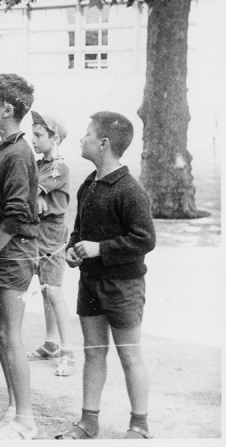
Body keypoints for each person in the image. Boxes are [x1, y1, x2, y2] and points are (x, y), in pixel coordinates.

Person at [56, 112, 156, 440]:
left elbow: (145, 239)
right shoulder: (89, 183)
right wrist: (73, 249)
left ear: (104, 143)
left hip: (123, 286)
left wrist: (100, 249)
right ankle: (88, 421)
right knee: (93, 351)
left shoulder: (130, 190)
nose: (80, 139)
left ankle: (139, 424)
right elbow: (79, 229)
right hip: (90, 283)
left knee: (129, 353)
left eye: (87, 134)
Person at [0, 74, 40, 440]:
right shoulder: (7, 147)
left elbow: (16, 215)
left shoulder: (17, 153)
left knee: (9, 333)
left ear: (7, 109)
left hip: (12, 255)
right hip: (5, 253)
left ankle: (26, 421)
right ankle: (16, 408)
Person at [27, 111, 76, 377]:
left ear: (54, 138)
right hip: (39, 234)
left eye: (39, 135)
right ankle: (51, 343)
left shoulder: (59, 168)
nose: (33, 139)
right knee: (45, 289)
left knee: (54, 291)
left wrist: (38, 201)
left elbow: (28, 194)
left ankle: (68, 351)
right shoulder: (40, 166)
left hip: (52, 237)